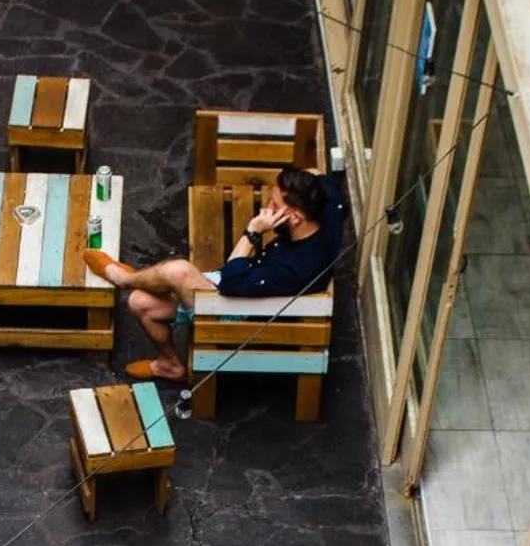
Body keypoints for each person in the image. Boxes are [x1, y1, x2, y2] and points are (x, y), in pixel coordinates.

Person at [84, 164, 342, 383]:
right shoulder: (328, 209)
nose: (266, 207)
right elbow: (320, 176)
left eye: (273, 204)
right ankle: (171, 365)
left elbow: (231, 280)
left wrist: (254, 230)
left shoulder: (295, 268)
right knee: (140, 303)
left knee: (180, 272)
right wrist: (306, 179)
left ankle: (124, 279)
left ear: (295, 217)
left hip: (248, 313)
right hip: (251, 285)